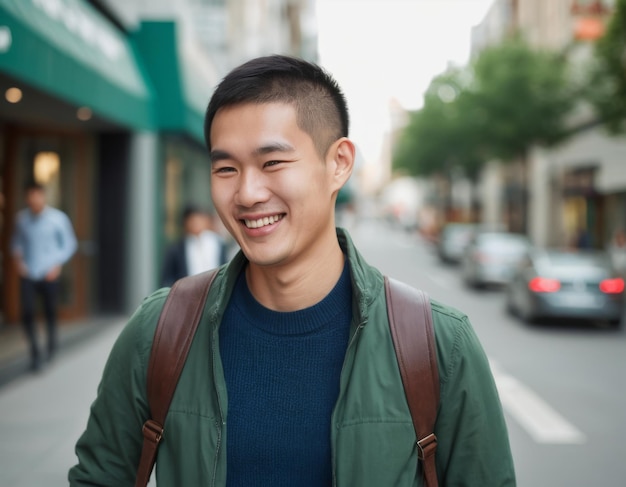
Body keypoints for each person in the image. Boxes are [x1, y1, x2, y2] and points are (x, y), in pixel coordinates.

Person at [69, 55, 516, 486]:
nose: (246, 193)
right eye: (225, 168)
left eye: (272, 163)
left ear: (338, 163)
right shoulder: (160, 330)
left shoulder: (438, 343)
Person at [11, 182, 77, 371]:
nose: (34, 200)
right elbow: (17, 243)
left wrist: (57, 265)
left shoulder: (58, 219)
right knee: (28, 313)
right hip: (29, 273)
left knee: (50, 312)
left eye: (37, 196)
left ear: (43, 196)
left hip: (50, 272)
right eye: (30, 197)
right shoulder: (21, 220)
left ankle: (51, 348)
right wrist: (19, 263)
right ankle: (35, 353)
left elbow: (69, 244)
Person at [161, 205, 229, 287]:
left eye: (200, 220)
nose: (196, 224)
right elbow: (167, 279)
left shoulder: (218, 244)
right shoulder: (176, 249)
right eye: (193, 221)